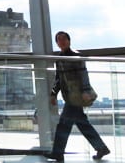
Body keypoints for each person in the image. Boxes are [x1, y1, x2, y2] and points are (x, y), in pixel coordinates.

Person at [46, 31, 110, 162]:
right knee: (82, 123)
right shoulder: (59, 59)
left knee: (64, 125)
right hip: (70, 96)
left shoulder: (76, 56)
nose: (62, 41)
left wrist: (85, 91)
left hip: (77, 96)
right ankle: (101, 148)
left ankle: (58, 153)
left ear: (69, 41)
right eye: (59, 40)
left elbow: (83, 75)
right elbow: (58, 79)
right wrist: (53, 93)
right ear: (57, 43)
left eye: (64, 39)